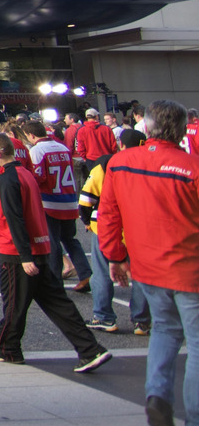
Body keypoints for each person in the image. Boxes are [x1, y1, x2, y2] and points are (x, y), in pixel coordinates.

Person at [97, 99, 199, 426]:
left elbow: (108, 213)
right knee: (197, 344)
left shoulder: (121, 163)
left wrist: (115, 255)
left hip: (146, 265)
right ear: (183, 128)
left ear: (147, 127)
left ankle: (157, 394)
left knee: (165, 331)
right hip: (190, 267)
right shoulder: (192, 167)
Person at [0, 133, 111, 372]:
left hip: (18, 251)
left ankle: (7, 347)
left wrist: (24, 255)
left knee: (14, 306)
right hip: (40, 245)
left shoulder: (6, 178)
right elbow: (21, 212)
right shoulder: (25, 174)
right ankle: (90, 349)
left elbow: (14, 217)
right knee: (58, 304)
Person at [80, 128, 149, 334]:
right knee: (141, 275)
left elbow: (86, 199)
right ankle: (142, 321)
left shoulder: (106, 163)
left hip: (105, 224)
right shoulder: (148, 164)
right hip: (139, 226)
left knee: (102, 272)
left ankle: (104, 317)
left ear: (120, 143)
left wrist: (85, 219)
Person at [24, 119, 90, 292]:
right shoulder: (62, 147)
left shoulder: (37, 150)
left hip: (49, 202)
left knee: (52, 242)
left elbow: (39, 177)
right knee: (70, 239)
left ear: (31, 135)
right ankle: (85, 273)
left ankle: (54, 282)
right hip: (68, 198)